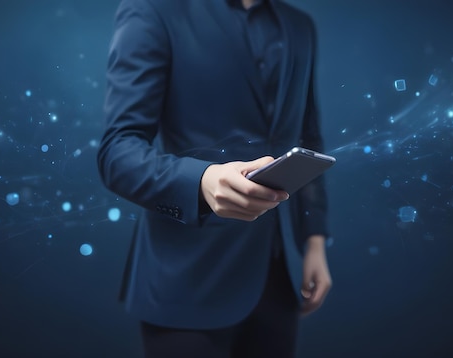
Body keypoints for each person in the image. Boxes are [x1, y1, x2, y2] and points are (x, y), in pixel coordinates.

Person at [97, 0, 332, 356]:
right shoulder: (153, 10)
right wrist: (201, 181)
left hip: (276, 277)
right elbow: (117, 152)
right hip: (186, 280)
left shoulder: (300, 25)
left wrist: (313, 241)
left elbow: (307, 137)